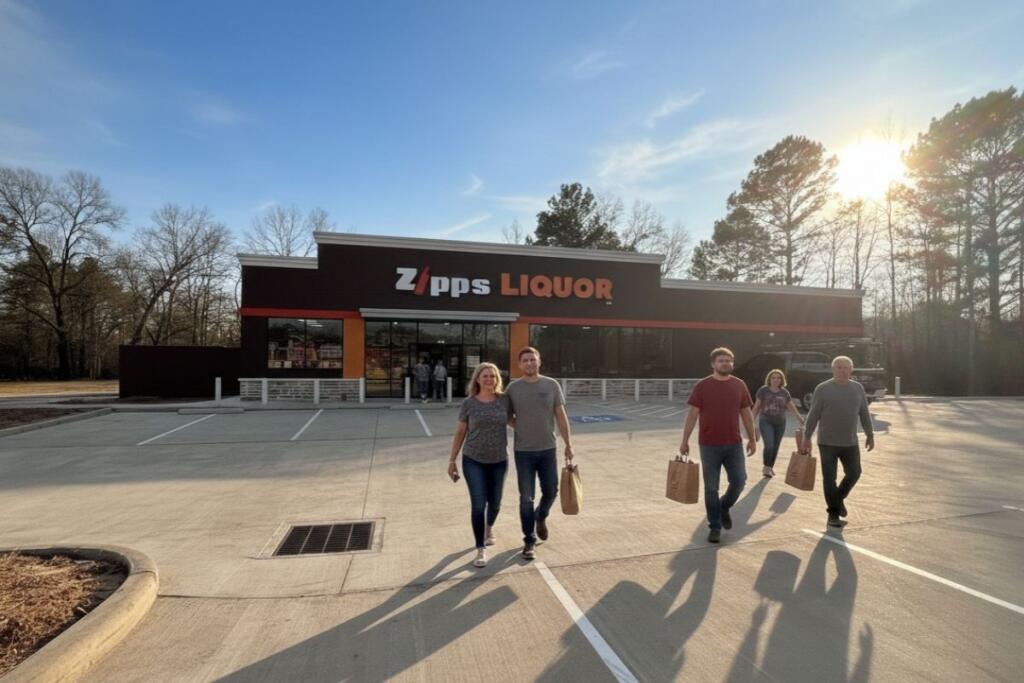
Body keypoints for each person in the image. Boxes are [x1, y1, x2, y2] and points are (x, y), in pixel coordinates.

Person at [679, 347, 757, 543]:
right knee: (711, 488)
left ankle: (724, 507)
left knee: (739, 481)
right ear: (713, 364)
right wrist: (685, 440)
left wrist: (752, 438)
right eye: (721, 361)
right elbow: (692, 415)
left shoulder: (739, 385)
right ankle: (714, 527)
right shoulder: (702, 386)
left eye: (728, 361)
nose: (725, 364)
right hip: (709, 445)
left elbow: (746, 413)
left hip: (734, 444)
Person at [505, 346, 574, 560]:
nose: (529, 363)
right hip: (523, 451)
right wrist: (521, 427)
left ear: (539, 361)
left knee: (551, 491)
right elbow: (506, 416)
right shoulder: (513, 388)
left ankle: (541, 516)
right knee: (526, 498)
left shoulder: (551, 385)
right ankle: (529, 540)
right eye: (525, 360)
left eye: (532, 359)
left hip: (547, 449)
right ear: (520, 364)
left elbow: (560, 415)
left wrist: (568, 444)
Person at [448, 363, 510, 568]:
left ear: (497, 379)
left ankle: (488, 528)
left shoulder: (504, 400)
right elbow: (460, 432)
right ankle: (480, 548)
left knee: (496, 503)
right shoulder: (469, 403)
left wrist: (537, 428)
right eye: (485, 376)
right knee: (478, 504)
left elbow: (515, 420)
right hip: (473, 459)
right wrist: (452, 460)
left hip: (499, 460)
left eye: (493, 376)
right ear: (477, 379)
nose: (489, 379)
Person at [801, 355, 875, 528]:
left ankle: (838, 499)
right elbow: (813, 414)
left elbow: (864, 412)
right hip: (827, 442)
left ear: (851, 370)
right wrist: (806, 436)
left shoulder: (857, 388)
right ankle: (833, 514)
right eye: (839, 367)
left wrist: (870, 434)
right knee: (829, 478)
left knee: (854, 473)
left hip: (850, 441)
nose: (842, 370)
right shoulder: (823, 388)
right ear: (833, 369)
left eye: (846, 367)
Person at [751, 369, 804, 479]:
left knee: (776, 446)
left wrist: (799, 417)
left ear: (782, 380)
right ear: (769, 379)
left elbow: (790, 406)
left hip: (780, 423)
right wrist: (751, 422)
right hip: (766, 421)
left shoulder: (784, 392)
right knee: (769, 445)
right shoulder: (763, 390)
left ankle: (770, 467)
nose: (776, 380)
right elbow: (756, 407)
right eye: (773, 377)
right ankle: (766, 466)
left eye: (778, 378)